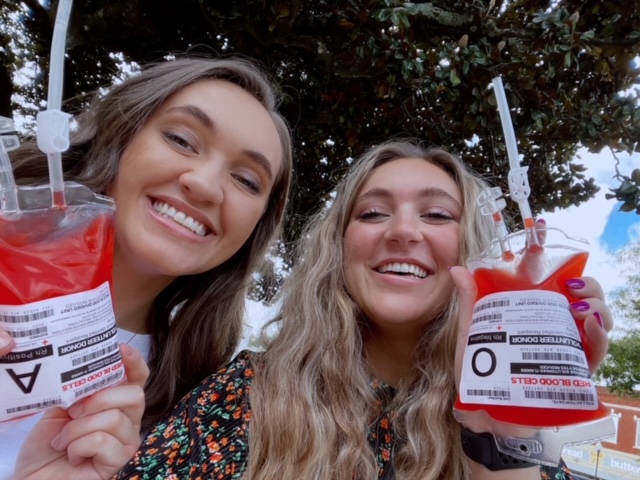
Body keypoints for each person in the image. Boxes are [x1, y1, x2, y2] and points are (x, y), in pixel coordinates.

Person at [112, 140, 612, 479]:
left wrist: (500, 431)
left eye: (437, 215)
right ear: (339, 248)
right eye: (373, 213)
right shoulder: (243, 396)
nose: (403, 231)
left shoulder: (531, 442)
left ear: (476, 250)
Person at [0, 56, 293, 479]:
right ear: (120, 139)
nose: (205, 185)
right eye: (181, 140)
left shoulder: (204, 411)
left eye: (247, 181)